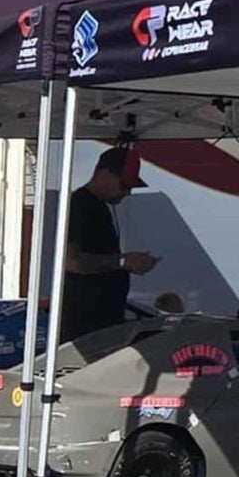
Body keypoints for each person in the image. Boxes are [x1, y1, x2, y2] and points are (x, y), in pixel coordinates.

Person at [61, 144, 160, 340]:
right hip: (86, 327)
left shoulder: (97, 207)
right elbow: (72, 262)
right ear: (104, 175)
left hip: (102, 322)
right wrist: (124, 262)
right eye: (124, 185)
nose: (127, 193)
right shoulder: (81, 205)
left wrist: (125, 263)